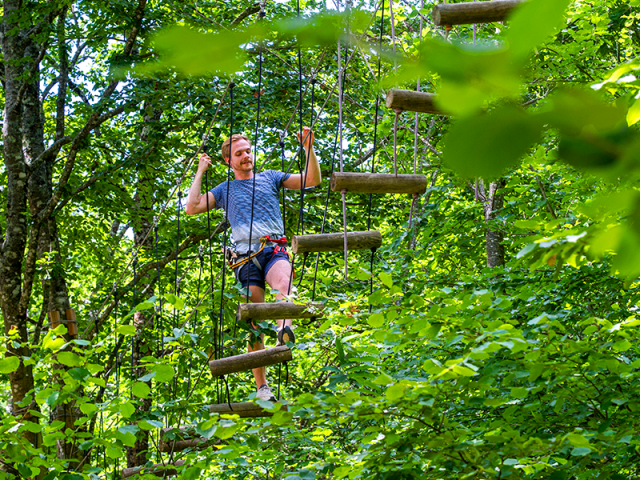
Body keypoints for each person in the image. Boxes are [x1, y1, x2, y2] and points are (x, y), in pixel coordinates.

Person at [185, 127, 321, 401]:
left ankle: (284, 328)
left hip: (273, 248)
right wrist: (200, 171)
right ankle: (262, 387)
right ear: (229, 161)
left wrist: (308, 147)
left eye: (248, 151)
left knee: (284, 283)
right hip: (245, 258)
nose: (246, 156)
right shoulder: (225, 190)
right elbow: (192, 207)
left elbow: (311, 180)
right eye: (239, 154)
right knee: (253, 322)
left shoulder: (270, 177)